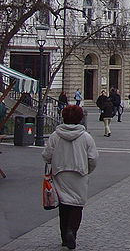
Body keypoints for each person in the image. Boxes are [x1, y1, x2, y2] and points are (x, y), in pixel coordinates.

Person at [42, 105, 98, 250]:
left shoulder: (55, 135)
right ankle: (71, 231)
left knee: (64, 205)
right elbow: (93, 158)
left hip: (60, 174)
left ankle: (64, 237)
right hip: (79, 174)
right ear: (80, 118)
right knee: (77, 205)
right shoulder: (86, 137)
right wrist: (87, 170)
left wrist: (53, 161)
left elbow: (47, 155)